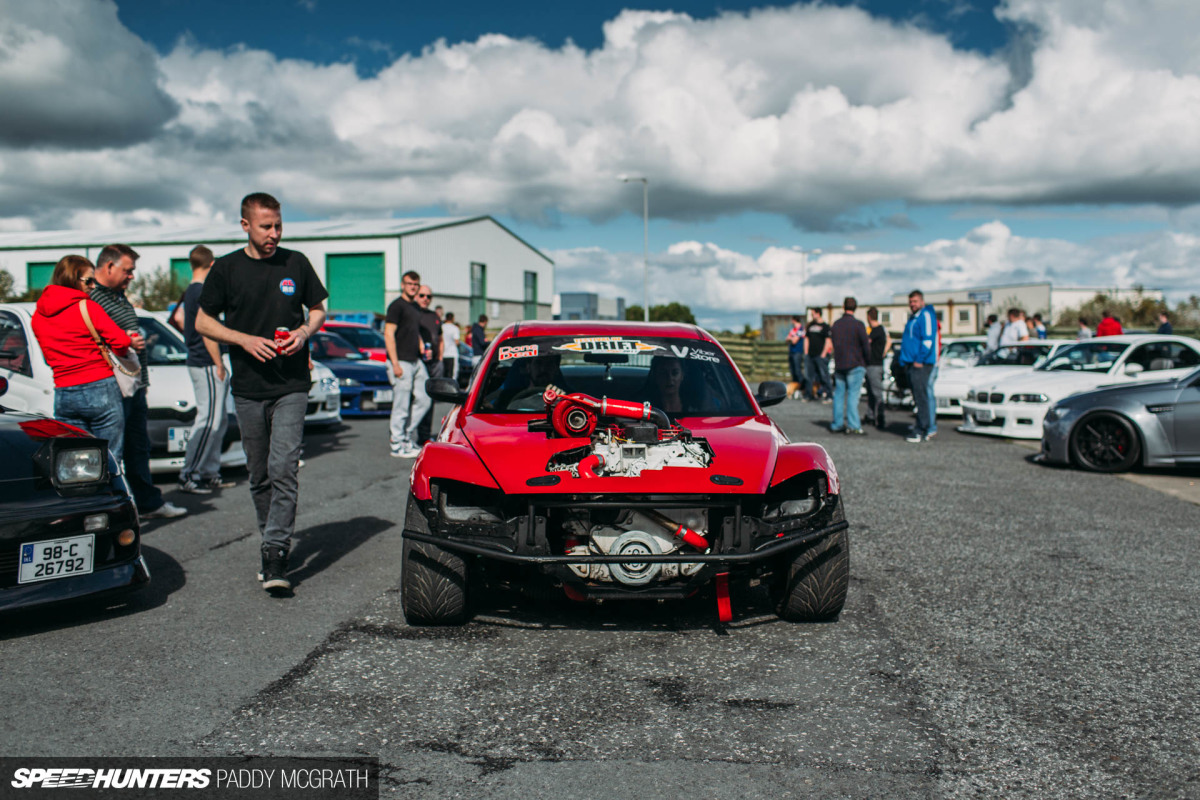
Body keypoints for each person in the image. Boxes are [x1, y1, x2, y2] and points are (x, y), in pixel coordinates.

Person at [196, 192, 329, 595]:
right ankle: (271, 538)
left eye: (278, 226)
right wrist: (244, 340)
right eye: (265, 226)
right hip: (249, 388)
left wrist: (305, 332)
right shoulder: (227, 269)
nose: (274, 234)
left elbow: (320, 307)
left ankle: (275, 552)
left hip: (291, 384)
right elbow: (203, 321)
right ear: (245, 226)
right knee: (259, 475)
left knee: (283, 467)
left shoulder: (296, 263)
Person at [91, 244, 187, 520]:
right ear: (108, 267)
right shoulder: (94, 299)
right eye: (127, 270)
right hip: (113, 386)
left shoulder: (118, 296)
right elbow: (95, 337)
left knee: (138, 446)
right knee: (114, 451)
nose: (132, 276)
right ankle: (111, 509)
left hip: (135, 384)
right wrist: (126, 341)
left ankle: (147, 503)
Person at [30, 255, 131, 461]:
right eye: (89, 280)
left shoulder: (38, 316)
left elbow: (49, 354)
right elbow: (121, 342)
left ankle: (84, 494)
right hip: (99, 386)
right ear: (72, 279)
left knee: (76, 460)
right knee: (110, 459)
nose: (93, 286)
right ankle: (112, 494)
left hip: (64, 391)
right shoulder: (87, 307)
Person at [177, 245, 234, 495]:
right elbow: (206, 328)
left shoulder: (190, 291)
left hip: (202, 360)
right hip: (206, 363)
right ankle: (189, 475)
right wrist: (219, 363)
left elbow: (179, 318)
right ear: (211, 265)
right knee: (209, 420)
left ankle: (210, 473)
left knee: (218, 421)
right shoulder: (201, 291)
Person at [383, 270, 430, 458]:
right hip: (400, 360)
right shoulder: (396, 306)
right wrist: (394, 363)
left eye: (416, 284)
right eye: (410, 284)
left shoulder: (415, 307)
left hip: (415, 360)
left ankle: (406, 436)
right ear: (403, 285)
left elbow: (412, 329)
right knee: (401, 404)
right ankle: (396, 443)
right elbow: (388, 334)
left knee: (425, 397)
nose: (413, 287)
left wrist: (419, 342)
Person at [897, 290, 938, 443]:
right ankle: (921, 424)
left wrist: (919, 360)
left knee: (921, 397)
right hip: (910, 363)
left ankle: (922, 429)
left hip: (920, 364)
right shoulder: (913, 317)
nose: (912, 304)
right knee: (917, 396)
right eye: (911, 302)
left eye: (915, 301)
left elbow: (928, 340)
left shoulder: (926, 315)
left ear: (921, 301)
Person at [829, 297, 871, 435]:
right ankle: (853, 425)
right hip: (855, 364)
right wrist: (867, 361)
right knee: (853, 395)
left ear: (843, 306)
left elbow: (834, 343)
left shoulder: (836, 324)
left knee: (839, 395)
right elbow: (866, 345)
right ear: (855, 308)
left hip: (840, 364)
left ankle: (837, 424)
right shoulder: (858, 325)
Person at [414, 284, 443, 446]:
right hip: (417, 362)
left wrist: (439, 357)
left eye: (428, 297)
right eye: (422, 295)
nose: (425, 299)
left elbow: (440, 338)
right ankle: (405, 435)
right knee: (416, 400)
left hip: (433, 363)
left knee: (429, 400)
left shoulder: (433, 316)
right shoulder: (413, 314)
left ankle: (424, 435)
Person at [864, 306, 891, 430]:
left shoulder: (876, 331)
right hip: (876, 363)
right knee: (871, 392)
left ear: (869, 317)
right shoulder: (883, 330)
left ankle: (880, 418)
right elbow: (889, 341)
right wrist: (884, 352)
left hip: (874, 364)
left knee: (876, 392)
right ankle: (870, 415)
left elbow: (866, 343)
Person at [805, 309, 832, 402]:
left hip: (820, 355)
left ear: (818, 314)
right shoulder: (810, 326)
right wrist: (806, 353)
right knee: (809, 377)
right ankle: (809, 395)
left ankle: (829, 395)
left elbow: (828, 341)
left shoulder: (825, 326)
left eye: (813, 314)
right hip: (810, 355)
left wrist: (823, 354)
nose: (812, 316)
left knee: (824, 376)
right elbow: (806, 339)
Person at [785, 315, 809, 400]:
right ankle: (795, 389)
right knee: (793, 371)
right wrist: (791, 338)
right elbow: (786, 339)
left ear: (794, 320)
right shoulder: (793, 330)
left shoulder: (801, 329)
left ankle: (803, 388)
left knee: (798, 371)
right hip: (791, 352)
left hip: (797, 352)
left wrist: (790, 338)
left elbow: (794, 340)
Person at [441, 311, 460, 381]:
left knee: (444, 375)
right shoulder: (455, 328)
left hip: (443, 354)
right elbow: (457, 342)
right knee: (452, 376)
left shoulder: (442, 327)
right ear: (453, 318)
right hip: (452, 354)